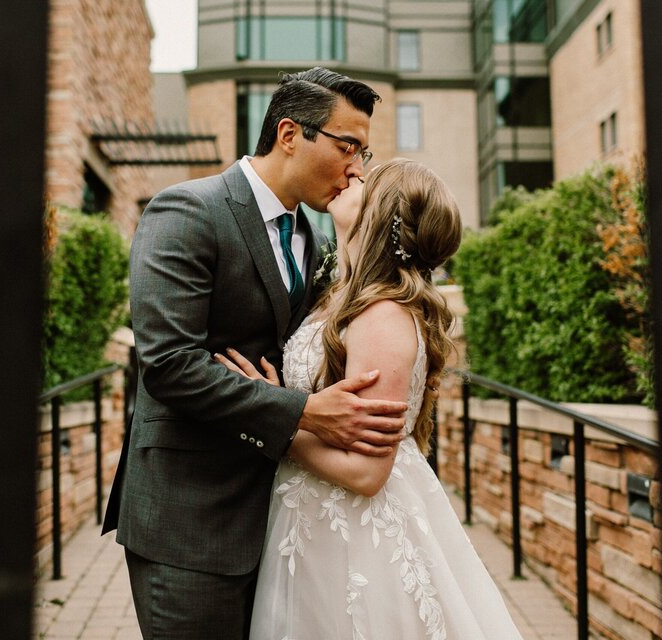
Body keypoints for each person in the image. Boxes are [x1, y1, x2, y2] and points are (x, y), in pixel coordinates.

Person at [102, 67, 410, 640]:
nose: (357, 170)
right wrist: (304, 411)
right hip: (189, 521)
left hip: (279, 524)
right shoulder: (187, 212)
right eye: (349, 147)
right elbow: (169, 364)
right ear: (290, 134)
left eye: (364, 153)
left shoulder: (312, 236)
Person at [219, 159, 524, 640]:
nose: (351, 174)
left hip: (355, 538)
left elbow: (366, 473)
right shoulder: (346, 295)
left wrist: (272, 418)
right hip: (313, 519)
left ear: (380, 213)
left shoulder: (382, 316)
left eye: (367, 178)